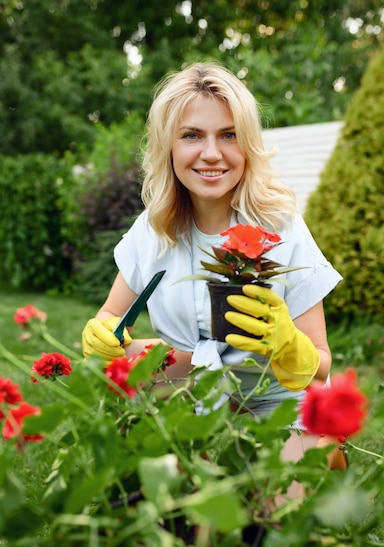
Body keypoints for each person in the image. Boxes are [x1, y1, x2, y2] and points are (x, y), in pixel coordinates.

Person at [82, 61, 343, 478]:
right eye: (191, 136)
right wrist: (105, 336)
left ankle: (318, 454)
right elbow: (110, 320)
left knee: (281, 526)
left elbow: (323, 363)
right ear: (168, 146)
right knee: (175, 519)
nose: (211, 153)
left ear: (248, 145)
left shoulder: (281, 226)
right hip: (190, 393)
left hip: (278, 399)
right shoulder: (151, 231)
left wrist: (289, 346)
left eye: (228, 135)